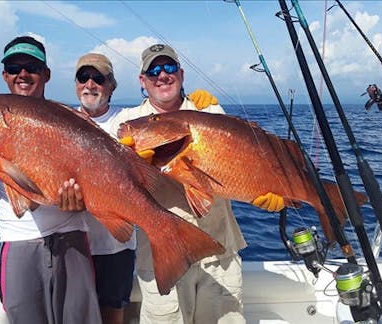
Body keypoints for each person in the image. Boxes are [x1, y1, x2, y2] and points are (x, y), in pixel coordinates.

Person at [110, 43, 285, 323]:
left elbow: (243, 166)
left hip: (219, 255)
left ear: (181, 74)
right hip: (161, 259)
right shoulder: (126, 123)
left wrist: (269, 195)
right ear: (142, 81)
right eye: (153, 70)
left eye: (168, 68)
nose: (162, 75)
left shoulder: (209, 111)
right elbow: (105, 174)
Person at [0, 36, 101, 324]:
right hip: (18, 241)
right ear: (5, 76)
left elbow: (96, 182)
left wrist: (81, 203)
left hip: (73, 239)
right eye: (14, 67)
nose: (23, 74)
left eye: (32, 67)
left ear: (46, 74)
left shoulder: (69, 119)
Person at [73, 53, 136, 324]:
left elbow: (164, 111)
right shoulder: (62, 120)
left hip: (115, 246)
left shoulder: (129, 119)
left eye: (98, 78)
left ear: (111, 85)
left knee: (112, 311)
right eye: (83, 77)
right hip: (73, 242)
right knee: (74, 313)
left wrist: (195, 101)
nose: (90, 84)